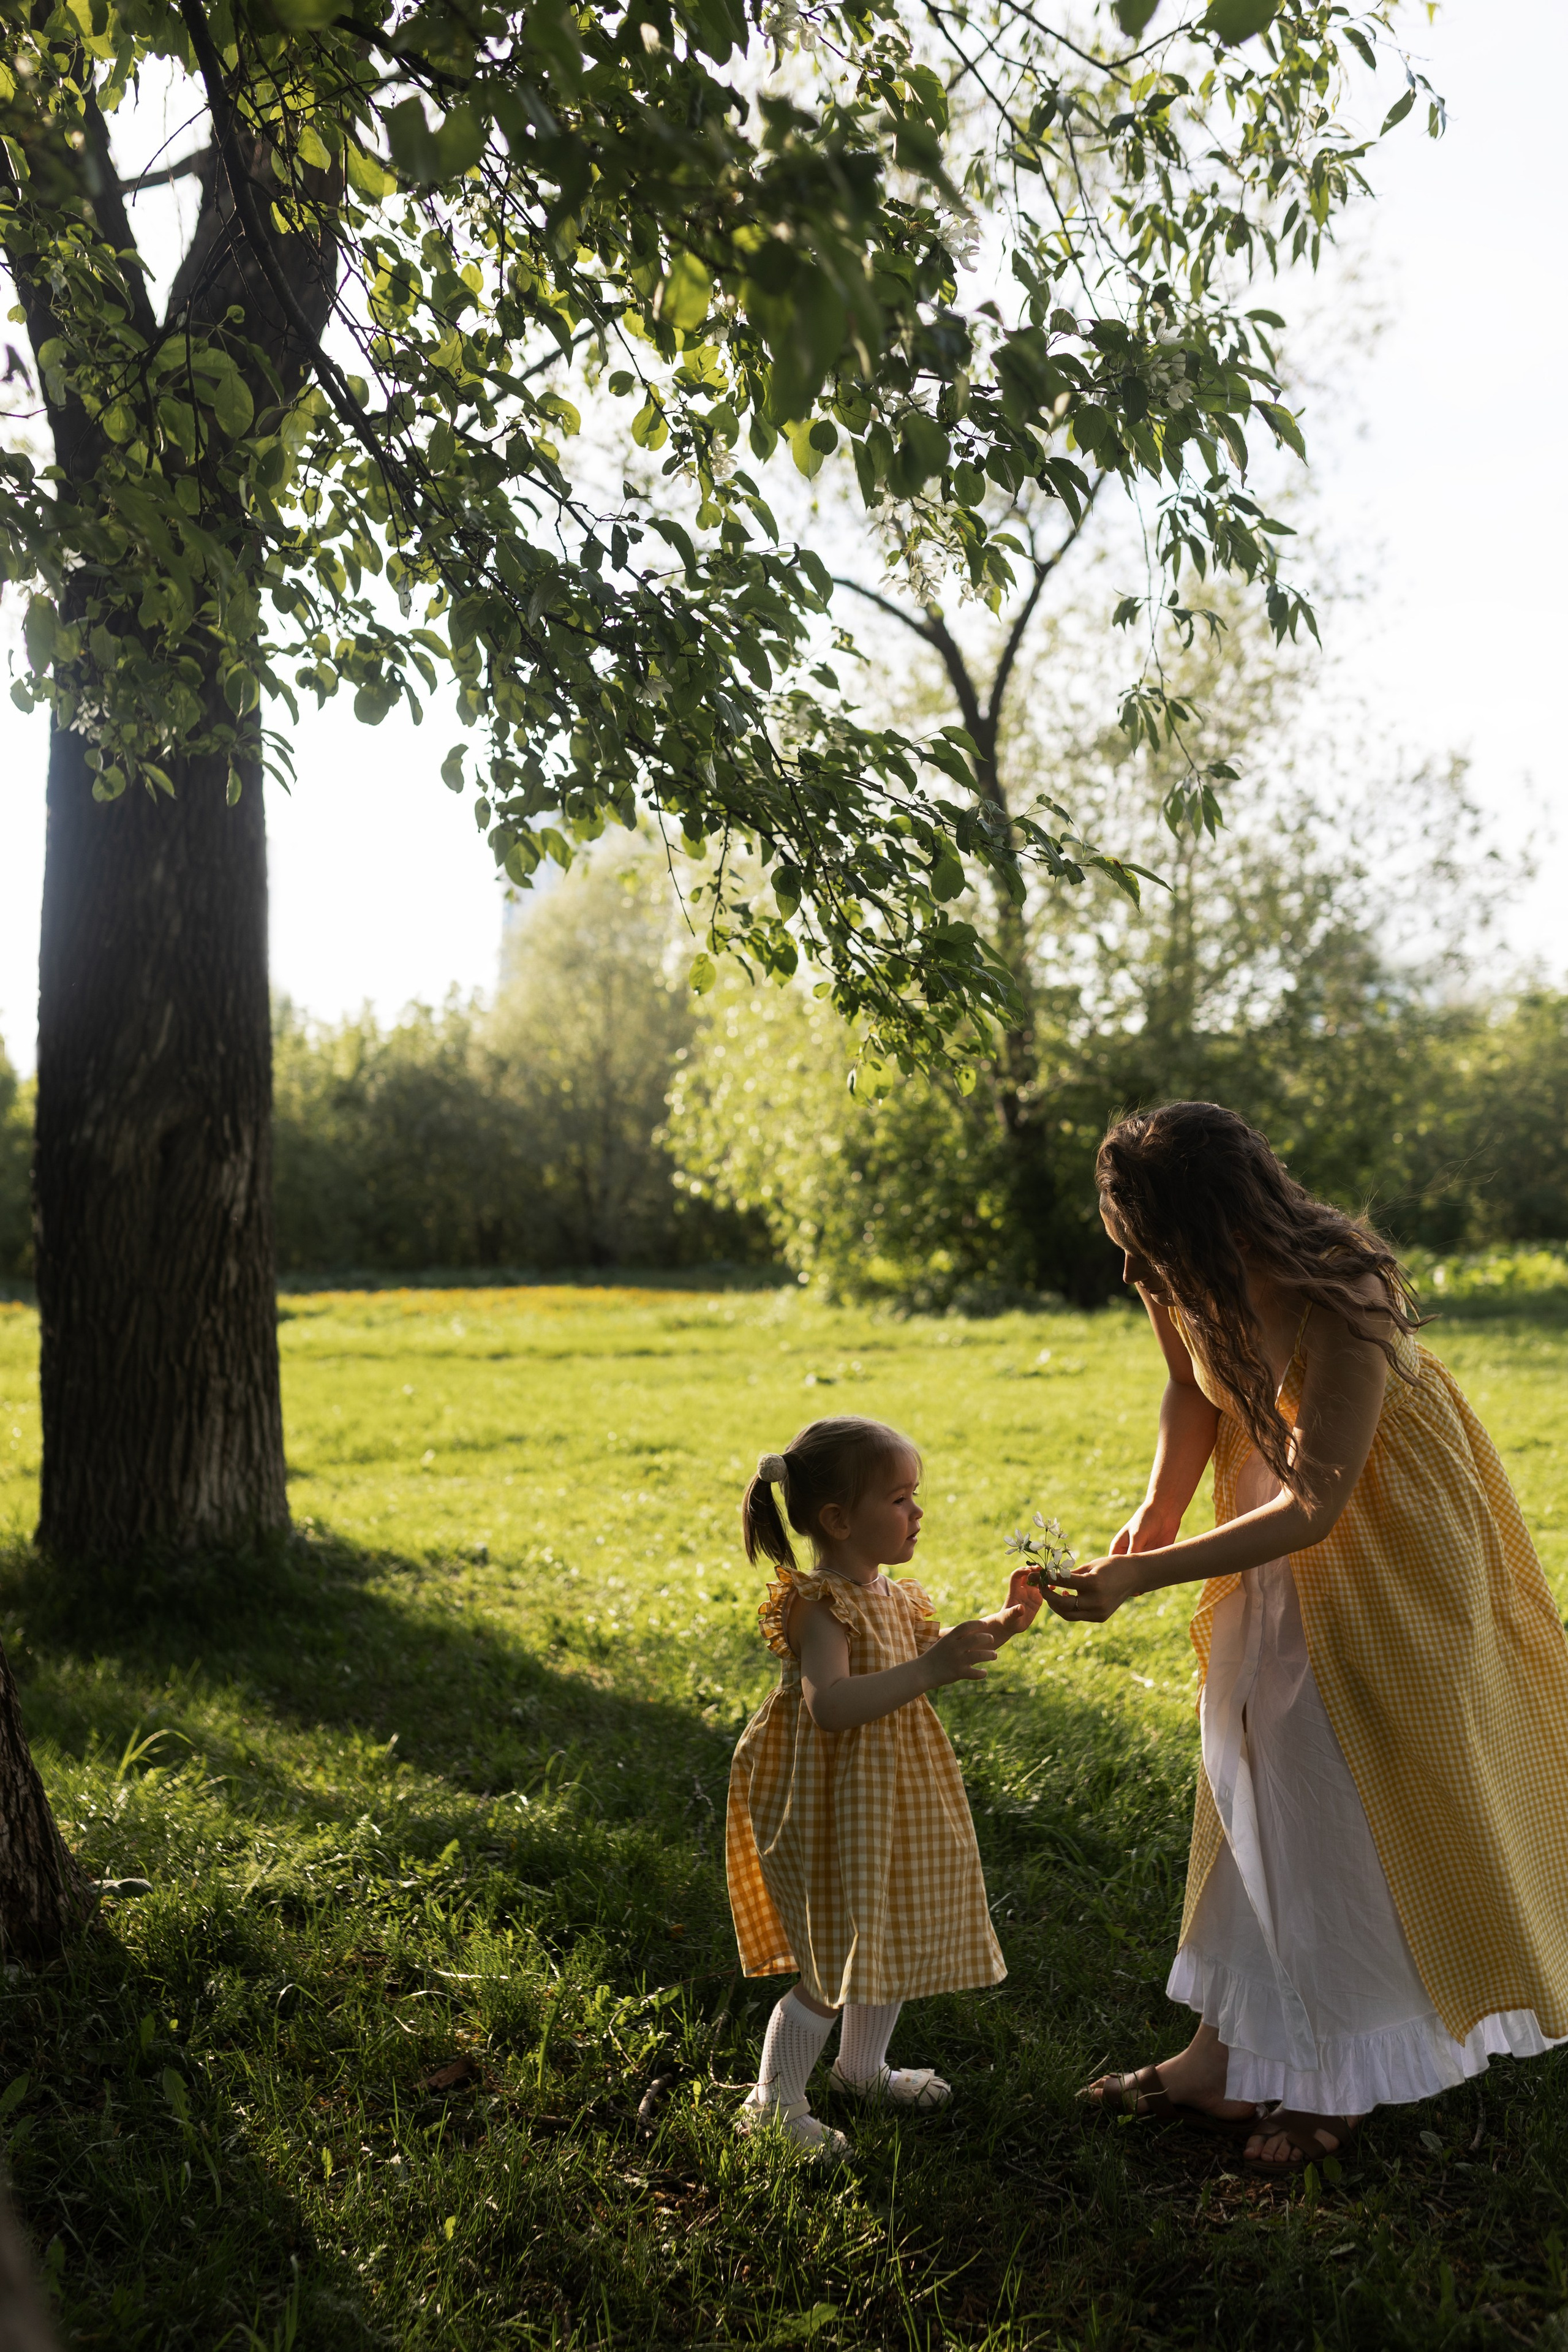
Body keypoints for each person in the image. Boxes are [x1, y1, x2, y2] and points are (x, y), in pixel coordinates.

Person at [1042, 1101, 1568, 2175]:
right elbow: (1191, 1395)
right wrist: (1156, 1513)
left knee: (1332, 1783)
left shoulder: (1343, 1285)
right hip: (1263, 1518)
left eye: (1160, 1247)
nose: (1149, 1271)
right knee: (1249, 1771)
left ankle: (1340, 2078)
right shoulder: (1171, 1270)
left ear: (1226, 1216)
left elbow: (1321, 1502)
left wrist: (1146, 1575)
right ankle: (1221, 2058)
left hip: (1389, 1542)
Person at [725, 1414, 1040, 2155]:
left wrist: (1005, 1621)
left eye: (914, 1497)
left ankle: (861, 2071)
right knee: (833, 1958)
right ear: (838, 1519)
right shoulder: (820, 1604)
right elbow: (830, 1707)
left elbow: (928, 1653)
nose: (917, 1513)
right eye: (899, 1500)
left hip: (891, 1799)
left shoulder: (891, 1595)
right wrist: (929, 1672)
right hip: (833, 1806)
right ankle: (771, 2106)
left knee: (887, 1932)